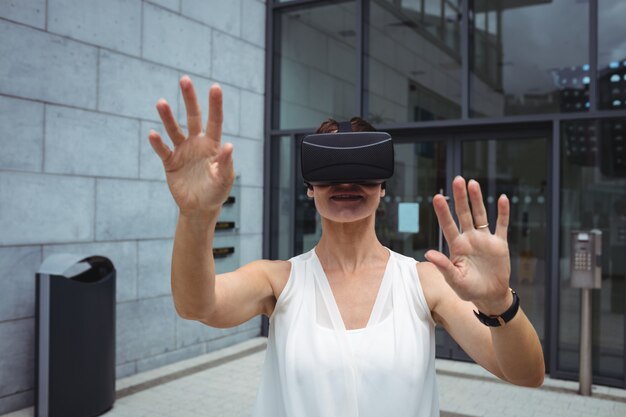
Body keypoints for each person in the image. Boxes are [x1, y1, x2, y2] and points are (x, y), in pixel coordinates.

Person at [148, 76, 545, 417]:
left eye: (363, 171)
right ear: (309, 185)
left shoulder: (425, 284)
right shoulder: (278, 280)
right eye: (329, 171)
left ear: (383, 185)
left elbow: (526, 375)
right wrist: (197, 217)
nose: (346, 184)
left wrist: (497, 303)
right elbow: (195, 305)